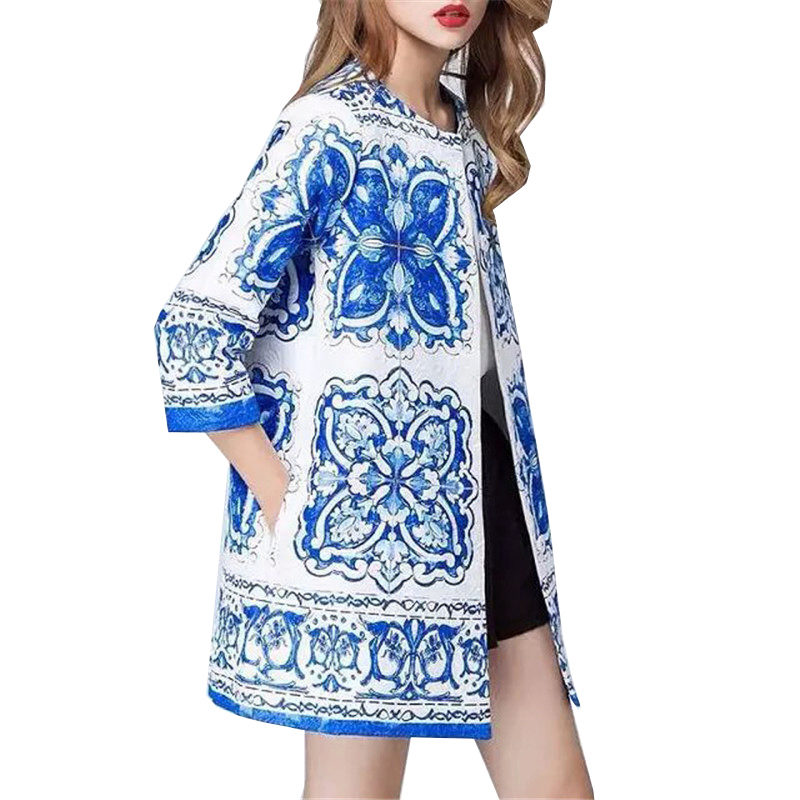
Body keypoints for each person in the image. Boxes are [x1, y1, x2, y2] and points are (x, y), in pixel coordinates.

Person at [154, 1, 592, 797]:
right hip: (361, 533)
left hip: (483, 504)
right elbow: (194, 325)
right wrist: (283, 494)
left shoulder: (464, 135)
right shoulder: (328, 129)